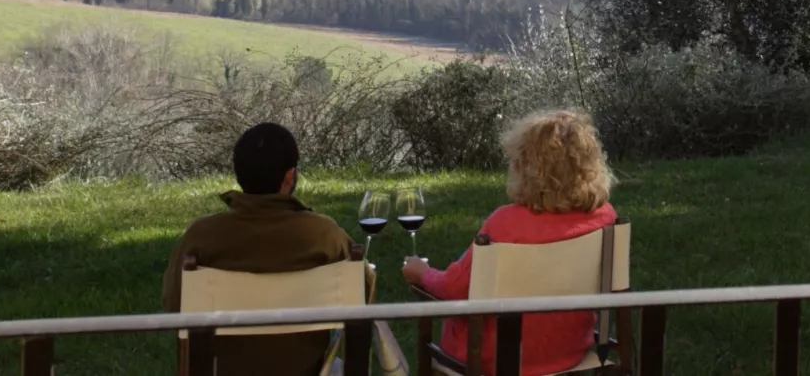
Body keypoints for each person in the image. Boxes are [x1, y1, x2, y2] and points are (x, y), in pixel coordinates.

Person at [401, 110, 617, 376]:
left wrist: (422, 274)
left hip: (494, 359)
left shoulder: (506, 224)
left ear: (524, 168)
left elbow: (455, 289)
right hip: (570, 351)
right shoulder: (605, 217)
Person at [162, 122, 359, 376]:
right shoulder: (324, 234)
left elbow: (174, 305)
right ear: (289, 177)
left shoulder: (200, 237)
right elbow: (360, 297)